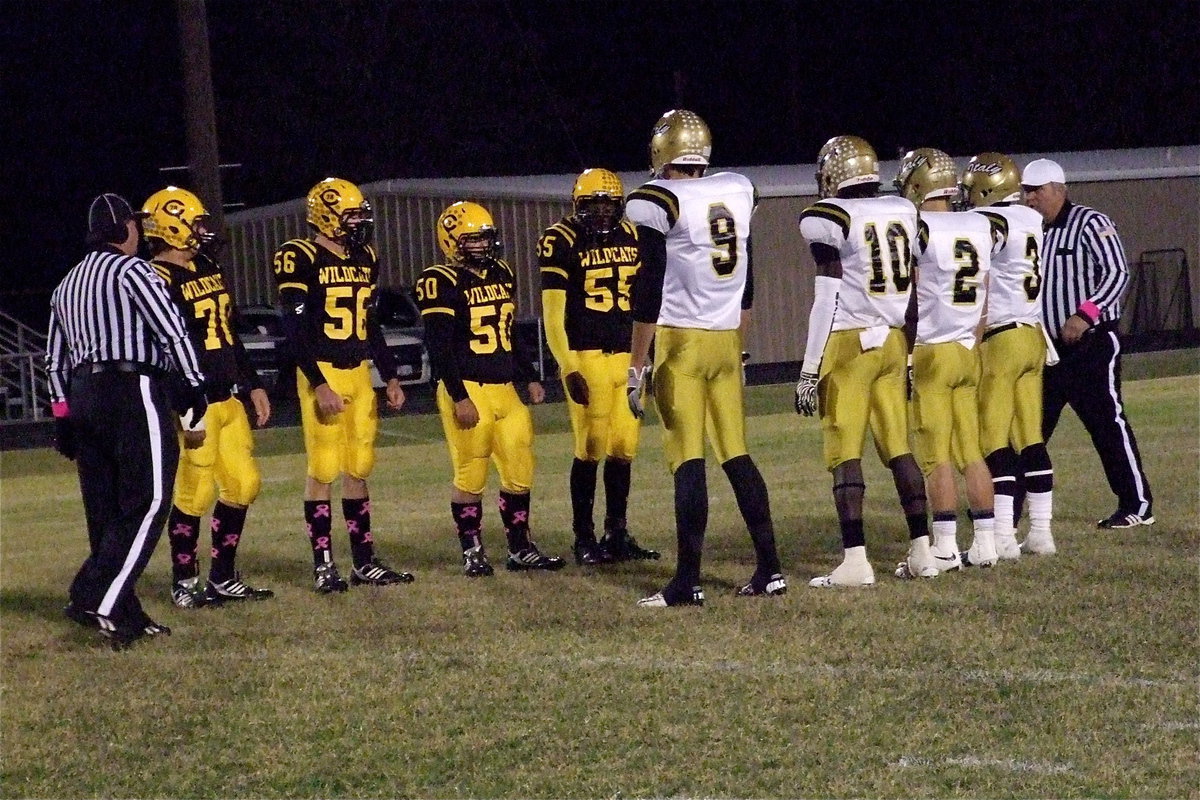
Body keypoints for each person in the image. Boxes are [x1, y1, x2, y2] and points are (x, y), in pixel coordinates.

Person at [625, 108, 786, 607]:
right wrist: (738, 345)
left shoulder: (658, 200)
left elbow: (647, 290)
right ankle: (770, 569)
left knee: (686, 459)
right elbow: (749, 279)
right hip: (723, 342)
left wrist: (636, 365)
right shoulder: (737, 189)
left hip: (683, 343)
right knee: (736, 452)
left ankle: (686, 582)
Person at [46, 193, 208, 649]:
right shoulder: (134, 270)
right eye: (134, 225)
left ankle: (125, 613)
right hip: (130, 389)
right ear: (123, 230)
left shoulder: (66, 285)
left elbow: (54, 362)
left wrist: (62, 416)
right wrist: (193, 387)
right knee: (151, 498)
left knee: (106, 509)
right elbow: (171, 329)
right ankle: (95, 595)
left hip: (82, 396)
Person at [794, 135, 932, 586]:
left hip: (851, 342)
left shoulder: (830, 216)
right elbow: (912, 293)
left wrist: (810, 368)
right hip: (893, 340)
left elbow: (827, 296)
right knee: (898, 446)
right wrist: (909, 352)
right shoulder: (904, 211)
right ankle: (922, 552)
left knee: (844, 451)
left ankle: (855, 561)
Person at [271, 177, 414, 593]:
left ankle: (364, 561)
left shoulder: (364, 256)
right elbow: (294, 328)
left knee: (359, 466)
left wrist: (389, 373)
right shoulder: (299, 255)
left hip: (357, 370)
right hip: (324, 370)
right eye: (350, 214)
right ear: (327, 216)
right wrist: (317, 383)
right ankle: (323, 564)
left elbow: (369, 322)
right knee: (324, 469)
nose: (359, 222)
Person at [141, 186, 275, 607]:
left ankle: (222, 576)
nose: (202, 230)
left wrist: (251, 382)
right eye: (195, 222)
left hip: (227, 396)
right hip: (190, 400)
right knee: (194, 493)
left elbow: (229, 332)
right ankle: (184, 581)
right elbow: (162, 349)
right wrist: (182, 405)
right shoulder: (154, 278)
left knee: (243, 484)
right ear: (171, 225)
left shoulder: (206, 266)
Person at [416, 200, 565, 576]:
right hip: (468, 385)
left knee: (520, 467)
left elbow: (509, 331)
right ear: (451, 242)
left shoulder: (501, 271)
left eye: (485, 238)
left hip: (504, 387)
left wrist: (529, 374)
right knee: (472, 472)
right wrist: (459, 395)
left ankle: (520, 547)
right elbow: (440, 346)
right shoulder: (440, 281)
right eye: (473, 240)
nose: (483, 246)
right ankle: (473, 551)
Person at [1022, 158, 1154, 529]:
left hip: (1090, 347)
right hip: (1045, 350)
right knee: (1028, 430)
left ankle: (1137, 505)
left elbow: (1117, 272)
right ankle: (1006, 509)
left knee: (1107, 426)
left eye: (1038, 190)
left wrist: (1084, 315)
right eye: (1026, 191)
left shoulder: (1090, 223)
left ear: (1059, 189)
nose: (1030, 198)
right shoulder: (1031, 231)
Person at [538, 168, 659, 566]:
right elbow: (552, 315)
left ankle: (617, 532)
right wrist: (567, 365)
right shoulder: (560, 239)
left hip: (627, 355)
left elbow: (647, 304)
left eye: (610, 205)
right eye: (595, 205)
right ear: (577, 205)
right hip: (586, 355)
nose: (604, 214)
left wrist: (648, 357)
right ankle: (583, 537)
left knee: (624, 447)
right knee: (589, 447)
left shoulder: (636, 236)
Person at [893, 148, 997, 574]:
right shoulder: (980, 223)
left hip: (934, 348)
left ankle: (945, 547)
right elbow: (986, 290)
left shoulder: (919, 227)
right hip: (969, 348)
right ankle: (987, 543)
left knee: (935, 456)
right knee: (971, 451)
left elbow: (907, 290)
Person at [960, 152, 1056, 558]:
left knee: (993, 441)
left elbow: (977, 280)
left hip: (1000, 338)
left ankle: (1001, 537)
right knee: (1030, 437)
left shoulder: (990, 222)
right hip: (1034, 335)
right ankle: (1041, 532)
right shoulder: (1032, 218)